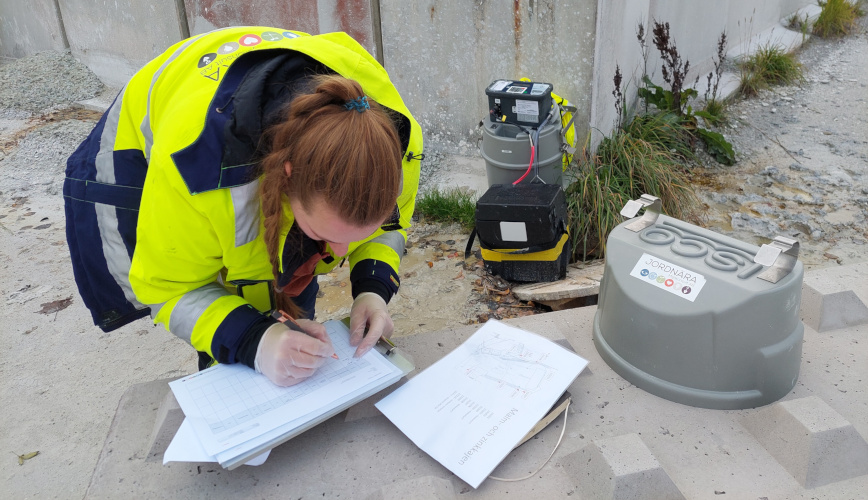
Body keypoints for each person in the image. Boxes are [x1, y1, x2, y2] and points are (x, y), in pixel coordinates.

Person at [63, 27, 423, 387]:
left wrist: (373, 290)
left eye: (352, 238)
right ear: (287, 178)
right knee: (232, 321)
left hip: (252, 111)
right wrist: (255, 340)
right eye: (323, 234)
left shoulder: (396, 146)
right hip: (139, 152)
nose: (340, 254)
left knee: (285, 283)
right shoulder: (197, 172)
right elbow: (170, 288)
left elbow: (387, 227)